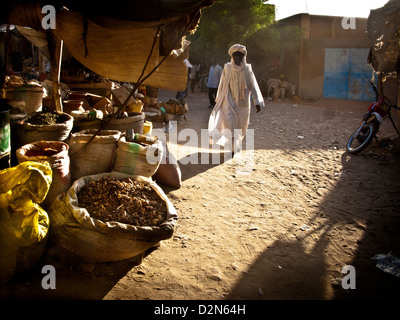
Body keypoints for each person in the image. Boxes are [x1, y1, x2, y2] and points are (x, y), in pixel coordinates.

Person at [208, 44, 264, 155]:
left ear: (244, 56)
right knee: (230, 123)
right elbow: (222, 84)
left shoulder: (248, 69)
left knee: (241, 126)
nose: (238, 58)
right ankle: (232, 147)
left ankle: (235, 145)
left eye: (240, 55)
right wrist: (219, 98)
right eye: (235, 55)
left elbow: (253, 85)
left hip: (243, 104)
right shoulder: (227, 67)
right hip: (229, 101)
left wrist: (256, 102)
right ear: (232, 56)